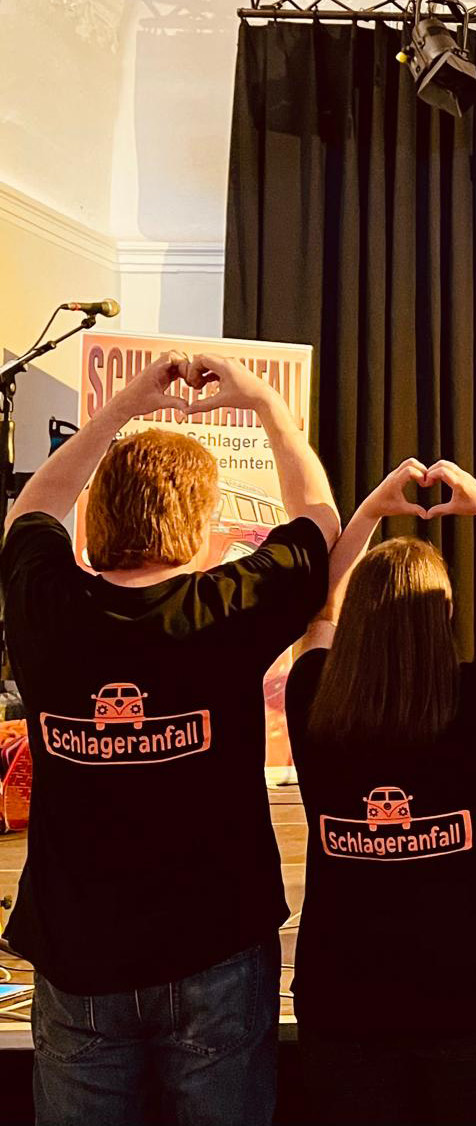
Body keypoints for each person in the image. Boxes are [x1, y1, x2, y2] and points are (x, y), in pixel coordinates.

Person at [0, 352, 338, 1125]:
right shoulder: (231, 606)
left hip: (78, 955)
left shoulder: (44, 605)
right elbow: (319, 520)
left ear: (99, 514)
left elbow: (31, 512)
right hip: (214, 948)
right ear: (197, 524)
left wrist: (121, 407)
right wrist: (266, 405)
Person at [283, 457, 476, 1124]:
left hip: (345, 1007)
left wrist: (369, 511)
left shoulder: (312, 700)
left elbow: (321, 609)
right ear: (444, 615)